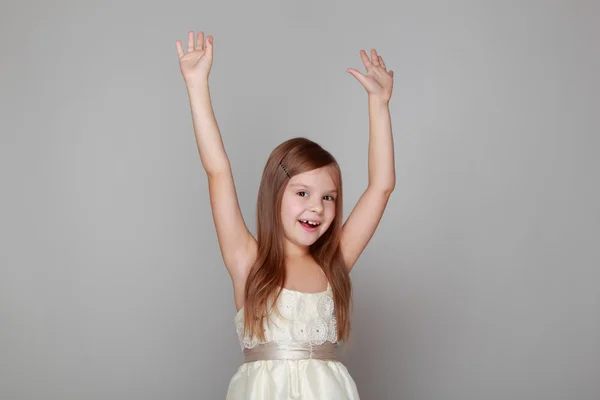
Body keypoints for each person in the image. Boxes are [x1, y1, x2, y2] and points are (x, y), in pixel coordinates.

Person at [176, 30, 395, 400]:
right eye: (302, 193)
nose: (317, 207)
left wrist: (379, 104)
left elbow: (381, 187)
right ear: (274, 194)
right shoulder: (248, 260)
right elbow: (218, 171)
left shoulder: (334, 262)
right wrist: (197, 85)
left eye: (329, 197)